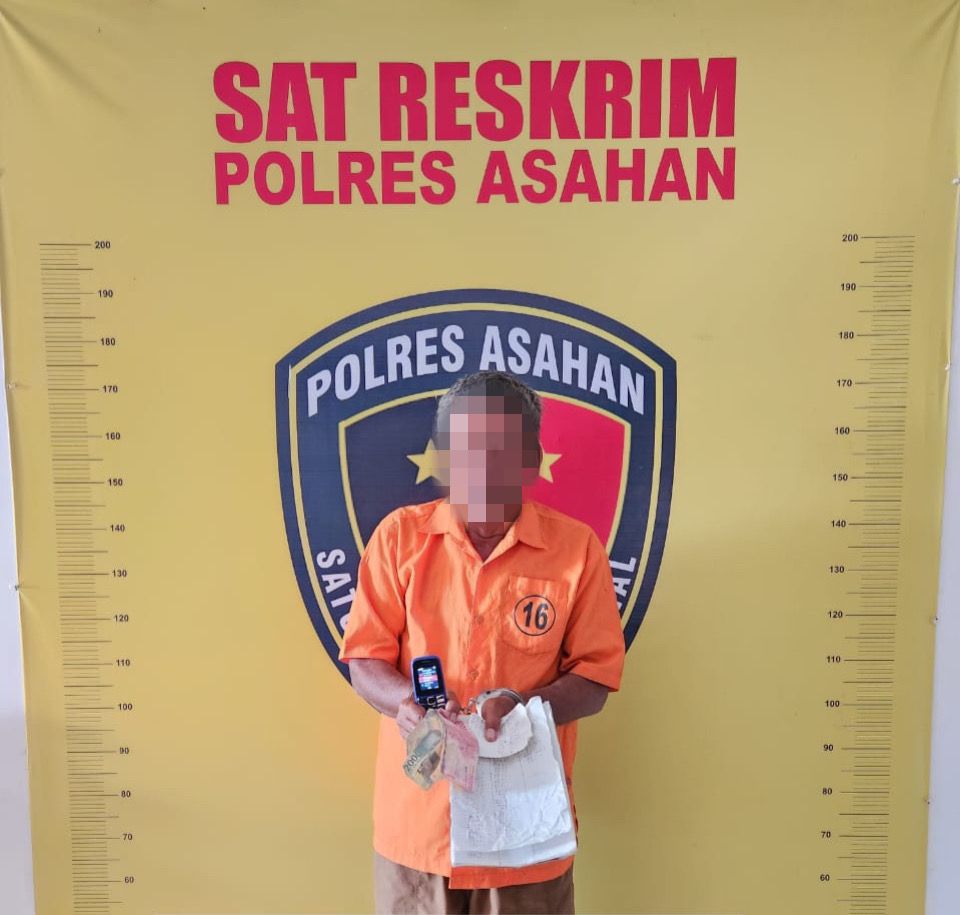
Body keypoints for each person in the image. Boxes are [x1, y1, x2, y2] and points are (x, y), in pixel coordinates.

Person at [338, 370, 626, 915]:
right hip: (420, 832)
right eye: (465, 448)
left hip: (527, 830)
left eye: (502, 449)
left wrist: (523, 706)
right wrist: (406, 705)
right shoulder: (398, 538)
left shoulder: (576, 550)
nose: (483, 466)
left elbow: (595, 679)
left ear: (531, 459)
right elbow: (364, 660)